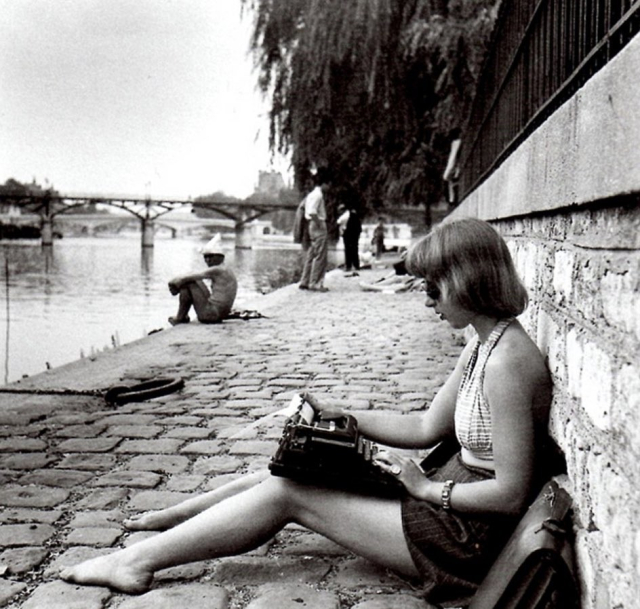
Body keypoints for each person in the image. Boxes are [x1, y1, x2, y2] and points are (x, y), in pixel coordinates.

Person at [60, 218, 552, 607]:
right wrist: (343, 413)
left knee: (287, 492)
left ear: (466, 281)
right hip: (450, 506)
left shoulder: (508, 363)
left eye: (432, 288)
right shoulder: (484, 344)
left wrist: (426, 488)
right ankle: (172, 520)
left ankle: (137, 561)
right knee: (295, 466)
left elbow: (510, 495)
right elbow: (425, 427)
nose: (426, 301)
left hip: (462, 538)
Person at [167, 234, 238, 325]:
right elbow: (194, 275)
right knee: (192, 280)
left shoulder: (218, 269)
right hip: (219, 313)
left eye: (211, 257)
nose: (207, 260)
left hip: (211, 315)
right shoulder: (225, 269)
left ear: (220, 257)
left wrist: (172, 284)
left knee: (189, 282)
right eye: (205, 257)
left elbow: (188, 277)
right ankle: (181, 316)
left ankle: (180, 317)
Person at [298, 169, 331, 292]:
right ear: (324, 183)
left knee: (311, 254)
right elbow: (312, 212)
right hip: (318, 225)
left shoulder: (311, 195)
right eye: (328, 184)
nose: (329, 187)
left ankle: (305, 281)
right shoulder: (318, 195)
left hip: (310, 226)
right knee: (320, 255)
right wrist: (320, 224)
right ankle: (315, 283)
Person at [337, 204, 362, 275]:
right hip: (355, 234)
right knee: (355, 249)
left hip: (348, 234)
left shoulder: (345, 216)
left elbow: (338, 222)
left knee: (348, 250)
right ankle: (356, 265)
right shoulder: (353, 214)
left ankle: (348, 266)